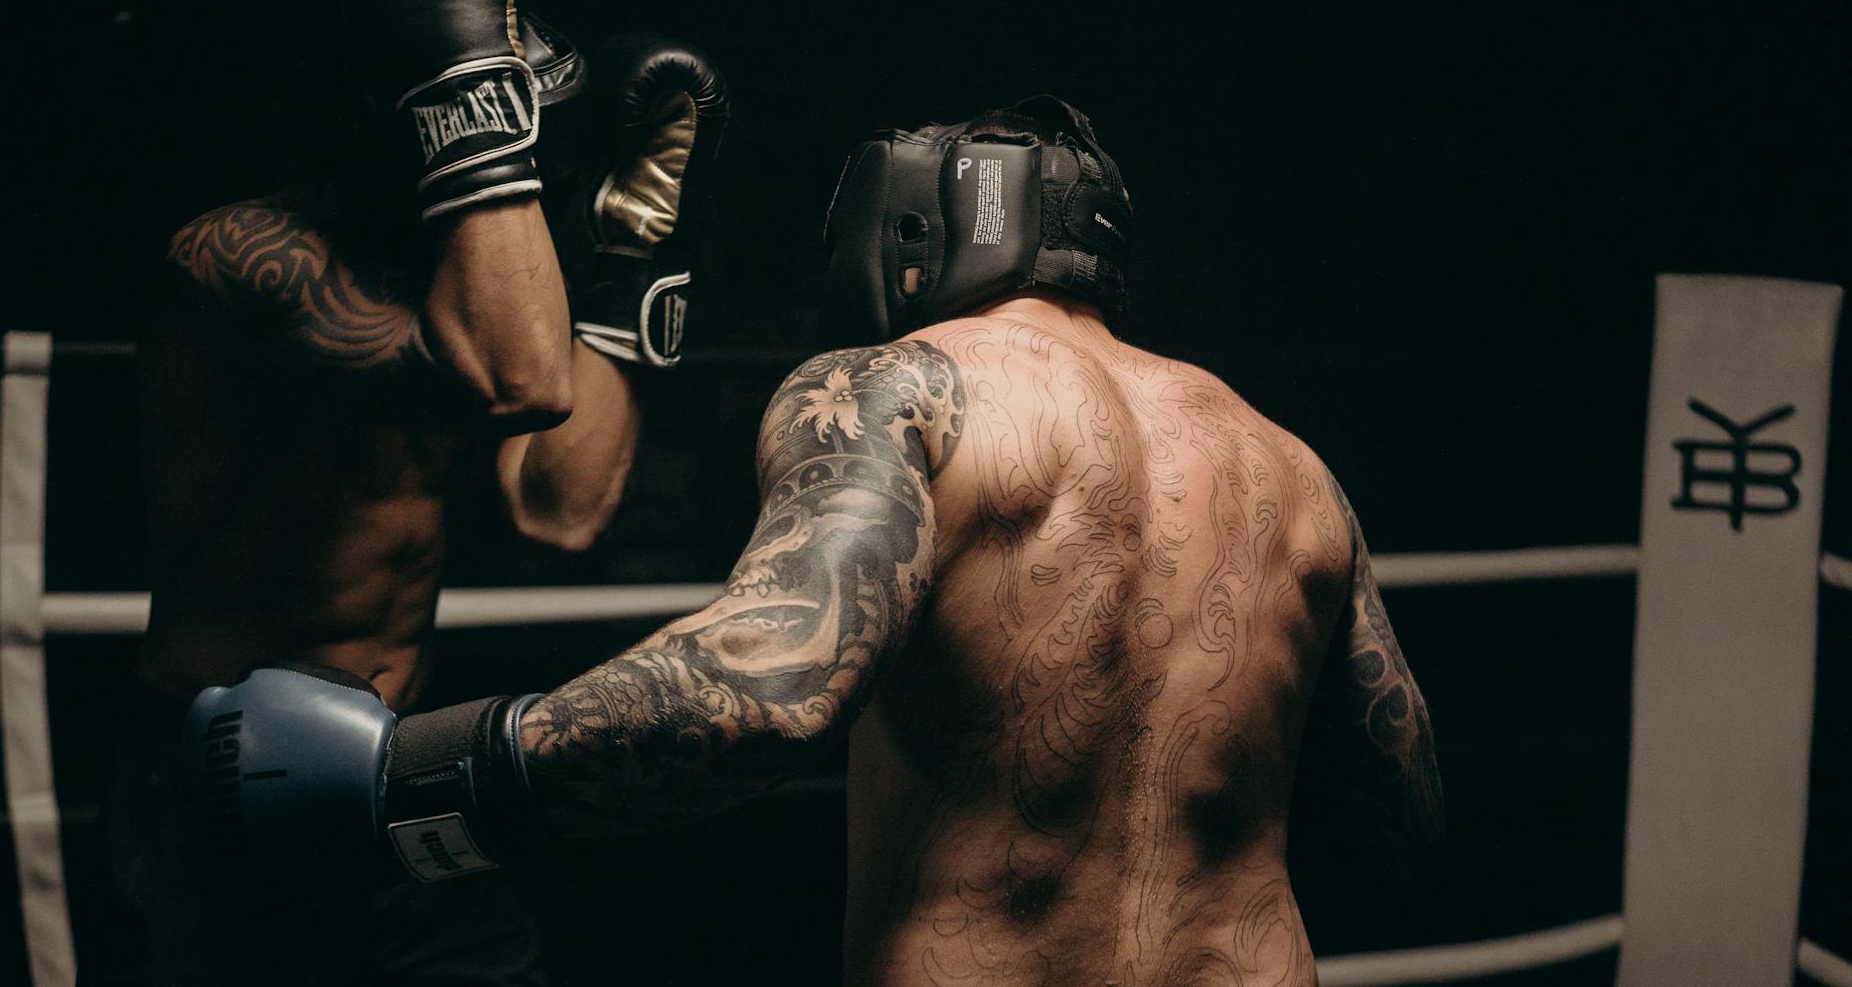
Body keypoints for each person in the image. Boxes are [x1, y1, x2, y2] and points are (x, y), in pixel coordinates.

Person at [182, 98, 1440, 986]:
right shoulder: (1286, 460)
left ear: (902, 235)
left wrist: (407, 774)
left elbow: (764, 689)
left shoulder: (900, 388)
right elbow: (1397, 810)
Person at [105, 0, 727, 986]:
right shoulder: (245, 257)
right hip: (212, 769)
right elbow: (520, 379)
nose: (531, 168)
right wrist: (467, 88)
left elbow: (563, 504)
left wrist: (632, 245)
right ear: (426, 108)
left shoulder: (469, 290)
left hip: (391, 762)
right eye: (504, 124)